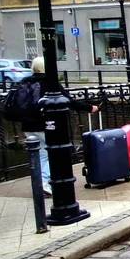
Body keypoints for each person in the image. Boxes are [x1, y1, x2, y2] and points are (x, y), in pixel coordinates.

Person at [15, 56, 97, 196]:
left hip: (28, 125)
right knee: (52, 153)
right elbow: (68, 100)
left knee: (40, 154)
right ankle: (47, 182)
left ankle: (40, 183)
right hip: (46, 124)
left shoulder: (25, 82)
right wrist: (89, 108)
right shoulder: (50, 82)